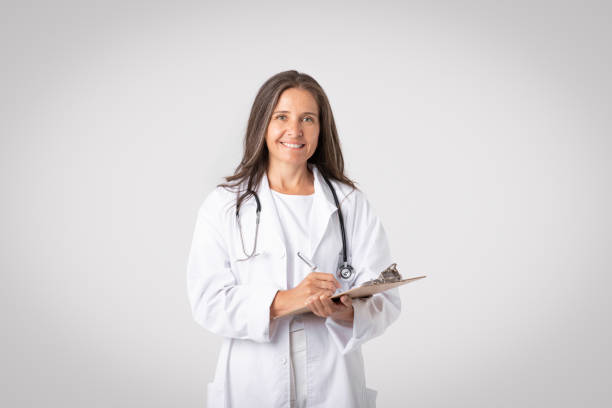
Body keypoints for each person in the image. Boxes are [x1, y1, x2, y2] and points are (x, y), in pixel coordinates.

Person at [186, 70, 401, 408]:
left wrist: (342, 312)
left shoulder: (349, 203)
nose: (295, 130)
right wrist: (289, 300)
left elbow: (385, 302)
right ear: (263, 124)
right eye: (282, 117)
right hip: (252, 383)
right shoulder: (225, 204)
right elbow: (207, 301)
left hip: (334, 383)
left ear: (320, 128)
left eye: (308, 119)